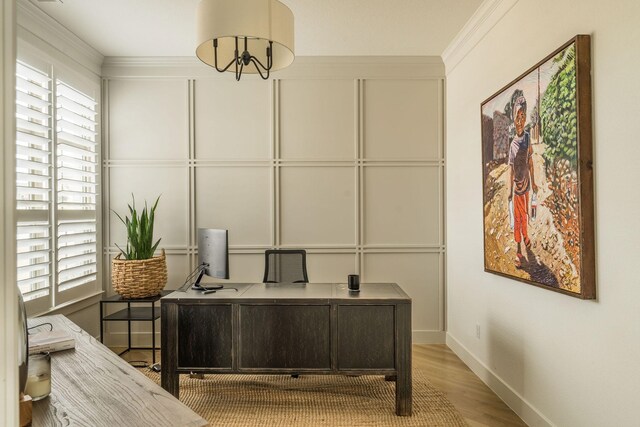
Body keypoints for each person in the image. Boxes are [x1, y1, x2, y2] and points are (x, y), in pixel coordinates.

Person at [508, 95, 538, 268]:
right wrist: (509, 192)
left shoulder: (527, 138)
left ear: (525, 118)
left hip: (526, 187)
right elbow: (511, 169)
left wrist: (533, 182)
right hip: (517, 189)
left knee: (525, 215)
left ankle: (526, 237)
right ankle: (519, 250)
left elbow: (531, 162)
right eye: (517, 116)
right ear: (513, 117)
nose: (520, 120)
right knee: (517, 219)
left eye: (522, 117)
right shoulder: (512, 145)